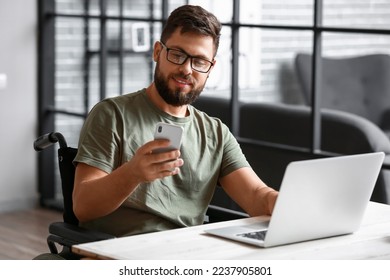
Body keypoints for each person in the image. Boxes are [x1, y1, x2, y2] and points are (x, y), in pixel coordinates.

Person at [72, 4, 278, 237]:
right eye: (178, 55)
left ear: (210, 68)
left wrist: (283, 202)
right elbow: (83, 207)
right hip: (120, 254)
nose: (187, 70)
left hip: (187, 254)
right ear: (158, 52)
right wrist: (132, 174)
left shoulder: (216, 133)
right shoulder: (111, 115)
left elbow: (256, 196)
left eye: (199, 61)